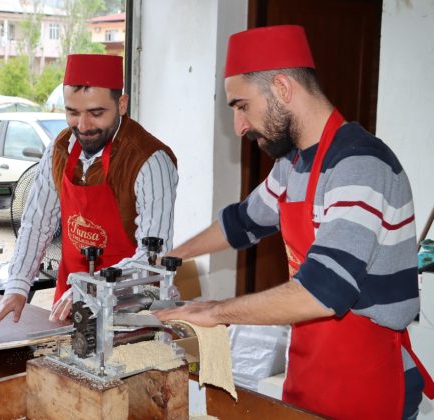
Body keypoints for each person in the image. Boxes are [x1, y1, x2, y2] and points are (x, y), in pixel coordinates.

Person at [153, 25, 434, 419]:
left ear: (282, 88)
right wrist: (168, 259)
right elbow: (242, 223)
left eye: (242, 106)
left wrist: (214, 312)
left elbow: (322, 292)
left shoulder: (361, 166)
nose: (239, 126)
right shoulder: (293, 165)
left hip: (365, 387)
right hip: (307, 378)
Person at [0, 54, 179, 331]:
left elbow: (152, 257)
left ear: (121, 105)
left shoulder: (149, 161)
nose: (83, 126)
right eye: (73, 113)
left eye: (96, 114)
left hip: (131, 311)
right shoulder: (60, 148)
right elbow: (37, 223)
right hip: (68, 304)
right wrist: (17, 285)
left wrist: (92, 288)